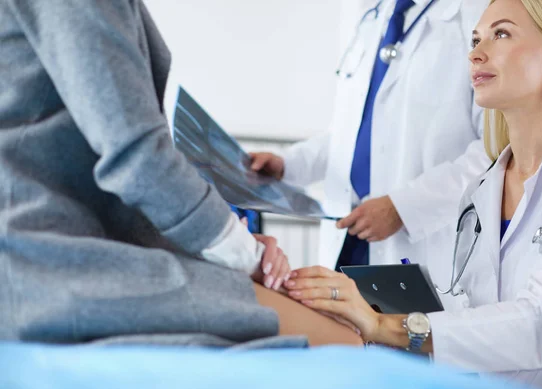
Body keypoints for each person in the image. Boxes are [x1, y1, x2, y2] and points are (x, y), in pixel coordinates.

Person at [283, 0, 542, 389]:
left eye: (501, 34)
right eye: (474, 39)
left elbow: (541, 323)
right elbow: (473, 313)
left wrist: (387, 326)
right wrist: (361, 308)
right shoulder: (485, 188)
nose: (475, 53)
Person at [0, 0, 361, 348]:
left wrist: (231, 241)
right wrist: (244, 253)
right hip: (44, 265)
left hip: (73, 246)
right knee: (343, 339)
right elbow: (138, 157)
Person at [250, 0, 490, 269]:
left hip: (424, 242)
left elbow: (495, 150)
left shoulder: (478, 15)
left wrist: (404, 208)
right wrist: (288, 164)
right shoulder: (373, 14)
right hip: (349, 235)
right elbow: (352, 133)